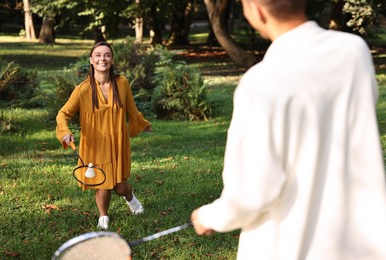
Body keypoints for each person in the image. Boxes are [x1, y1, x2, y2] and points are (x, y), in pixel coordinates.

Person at [191, 0, 386, 259]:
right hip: (358, 244)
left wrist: (212, 216)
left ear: (254, 9)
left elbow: (253, 190)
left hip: (289, 247)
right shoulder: (354, 51)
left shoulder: (259, 83)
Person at [56, 41, 152, 230]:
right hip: (95, 145)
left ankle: (130, 199)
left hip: (117, 142)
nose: (102, 58)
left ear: (112, 60)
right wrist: (65, 132)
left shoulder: (122, 83)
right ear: (91, 60)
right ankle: (103, 216)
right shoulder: (82, 89)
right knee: (103, 183)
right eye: (98, 55)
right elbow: (63, 114)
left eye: (107, 55)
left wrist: (142, 123)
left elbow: (131, 110)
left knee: (121, 186)